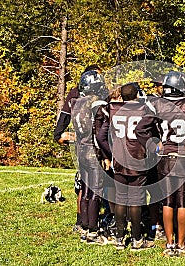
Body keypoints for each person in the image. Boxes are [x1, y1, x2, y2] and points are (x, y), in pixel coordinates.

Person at [136, 71, 185, 257]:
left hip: (165, 157)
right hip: (184, 157)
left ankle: (170, 243)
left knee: (168, 202)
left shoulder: (157, 104)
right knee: (183, 202)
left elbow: (141, 129)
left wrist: (154, 145)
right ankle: (181, 244)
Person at [97, 82, 156, 251]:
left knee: (121, 198)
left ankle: (119, 238)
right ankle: (137, 239)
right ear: (137, 94)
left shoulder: (114, 109)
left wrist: (113, 151)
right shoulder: (143, 109)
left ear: (122, 96)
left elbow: (101, 137)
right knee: (137, 200)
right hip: (137, 159)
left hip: (120, 159)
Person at [53, 65, 102, 234]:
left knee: (87, 186)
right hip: (91, 147)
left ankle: (86, 221)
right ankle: (85, 222)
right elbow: (63, 122)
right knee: (89, 187)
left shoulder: (78, 95)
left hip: (84, 148)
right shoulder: (83, 95)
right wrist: (63, 135)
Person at [68, 70, 109, 245]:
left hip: (80, 149)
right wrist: (106, 155)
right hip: (93, 151)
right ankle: (93, 231)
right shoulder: (96, 104)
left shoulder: (76, 103)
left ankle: (84, 225)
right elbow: (100, 133)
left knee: (85, 190)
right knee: (95, 192)